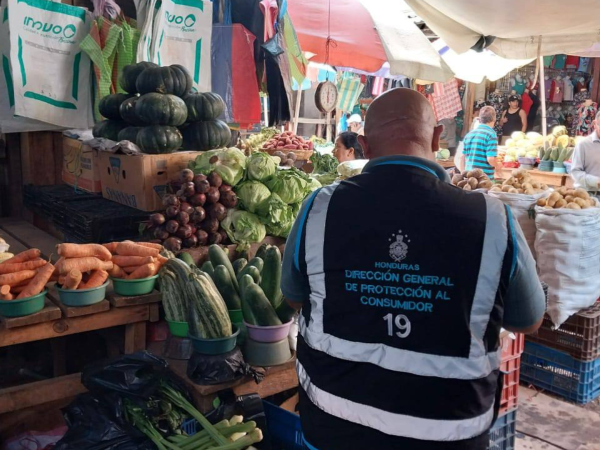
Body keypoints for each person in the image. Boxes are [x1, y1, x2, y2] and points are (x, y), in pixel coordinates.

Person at [281, 88, 545, 450]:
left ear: (364, 145)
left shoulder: (319, 208)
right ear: (437, 138)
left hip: (333, 429)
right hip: (450, 434)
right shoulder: (493, 218)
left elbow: (293, 298)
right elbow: (528, 320)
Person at [461, 106, 500, 180]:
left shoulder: (470, 134)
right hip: (483, 179)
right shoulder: (491, 134)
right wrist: (498, 166)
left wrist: (463, 174)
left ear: (480, 119)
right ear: (494, 119)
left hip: (469, 178)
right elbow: (490, 159)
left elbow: (462, 157)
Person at [571, 111, 600, 193]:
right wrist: (596, 181)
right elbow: (575, 172)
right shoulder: (583, 145)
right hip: (588, 194)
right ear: (595, 124)